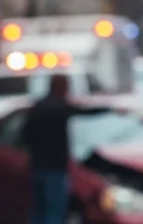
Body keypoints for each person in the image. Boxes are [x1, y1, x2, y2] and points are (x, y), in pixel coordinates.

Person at [21, 75, 119, 224]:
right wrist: (112, 108)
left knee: (39, 210)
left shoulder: (39, 107)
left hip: (38, 166)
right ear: (62, 88)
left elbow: (26, 135)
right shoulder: (60, 107)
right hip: (55, 167)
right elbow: (85, 111)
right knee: (54, 211)